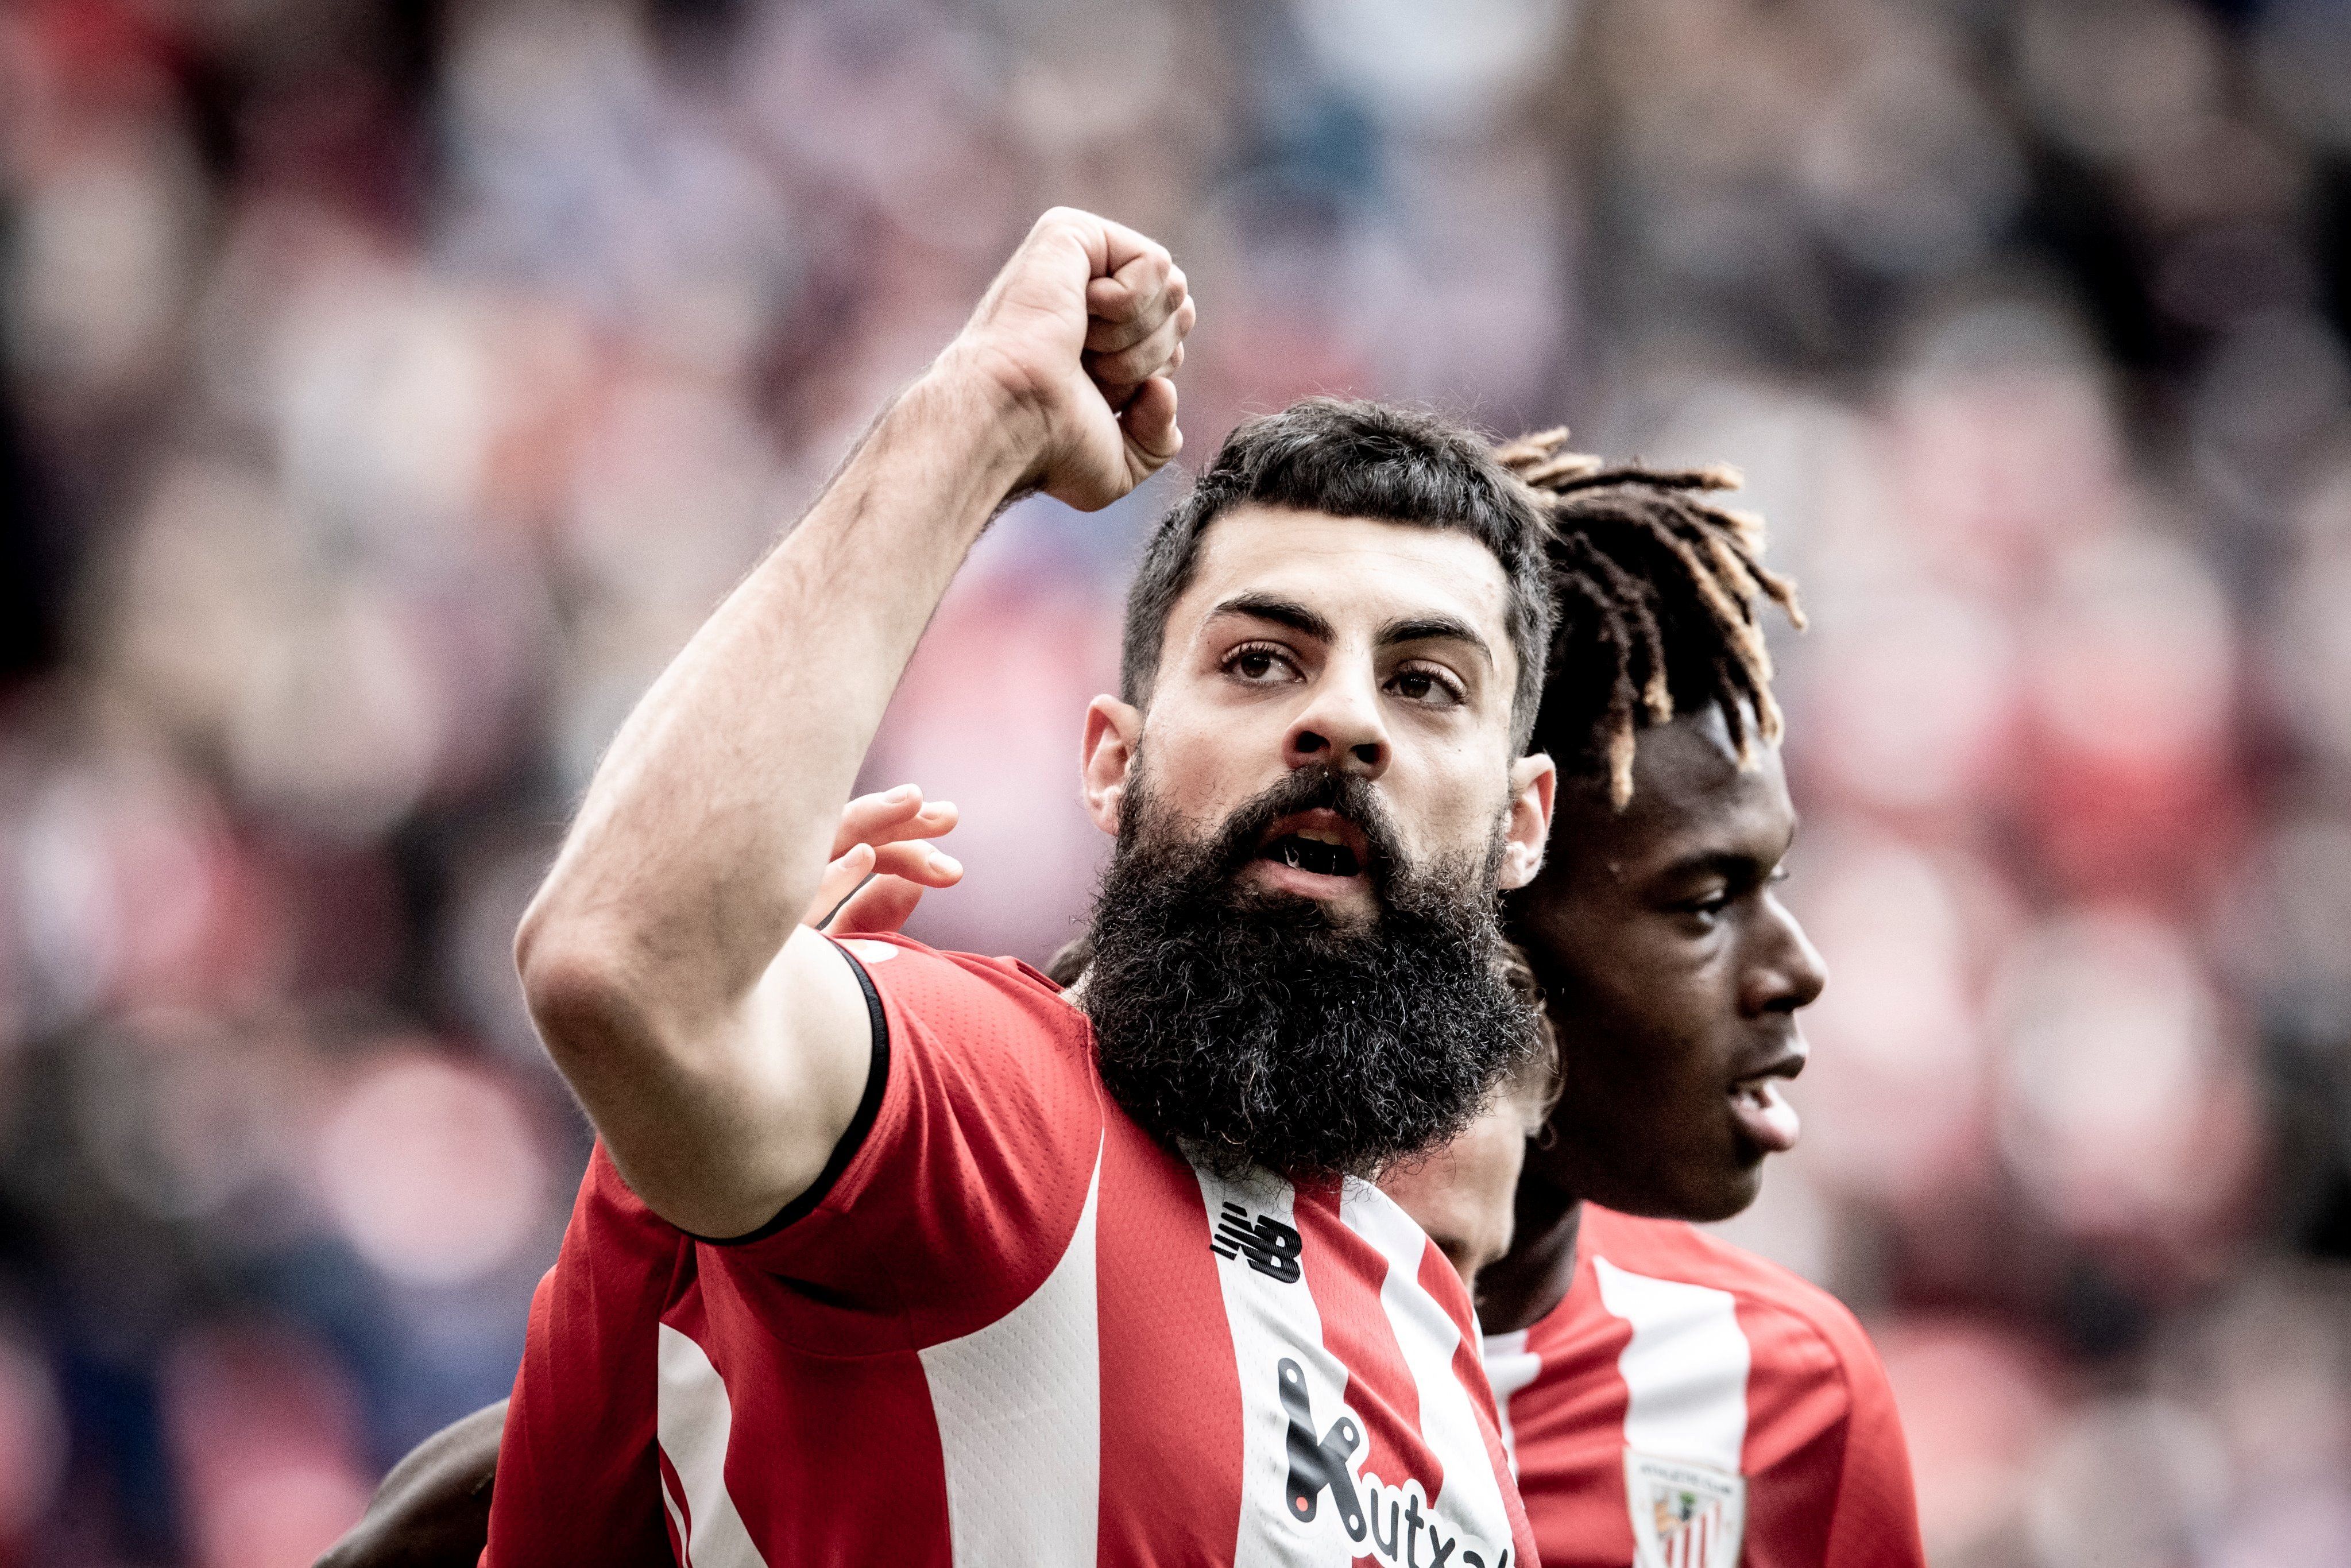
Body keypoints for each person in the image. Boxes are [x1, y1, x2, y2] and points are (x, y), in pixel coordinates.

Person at [488, 207, 1556, 1566]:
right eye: (1260, 662)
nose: (1344, 723)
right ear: (1110, 761)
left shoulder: (1439, 1349)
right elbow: (623, 964)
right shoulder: (988, 1108)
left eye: (1424, 684)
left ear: (1521, 823)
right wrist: (982, 412)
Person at [1470, 431, 1925, 1568]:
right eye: (1706, 899)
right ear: (1483, 921)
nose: (1798, 967)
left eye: (1772, 879)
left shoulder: (1786, 1393)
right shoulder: (1133, 1285)